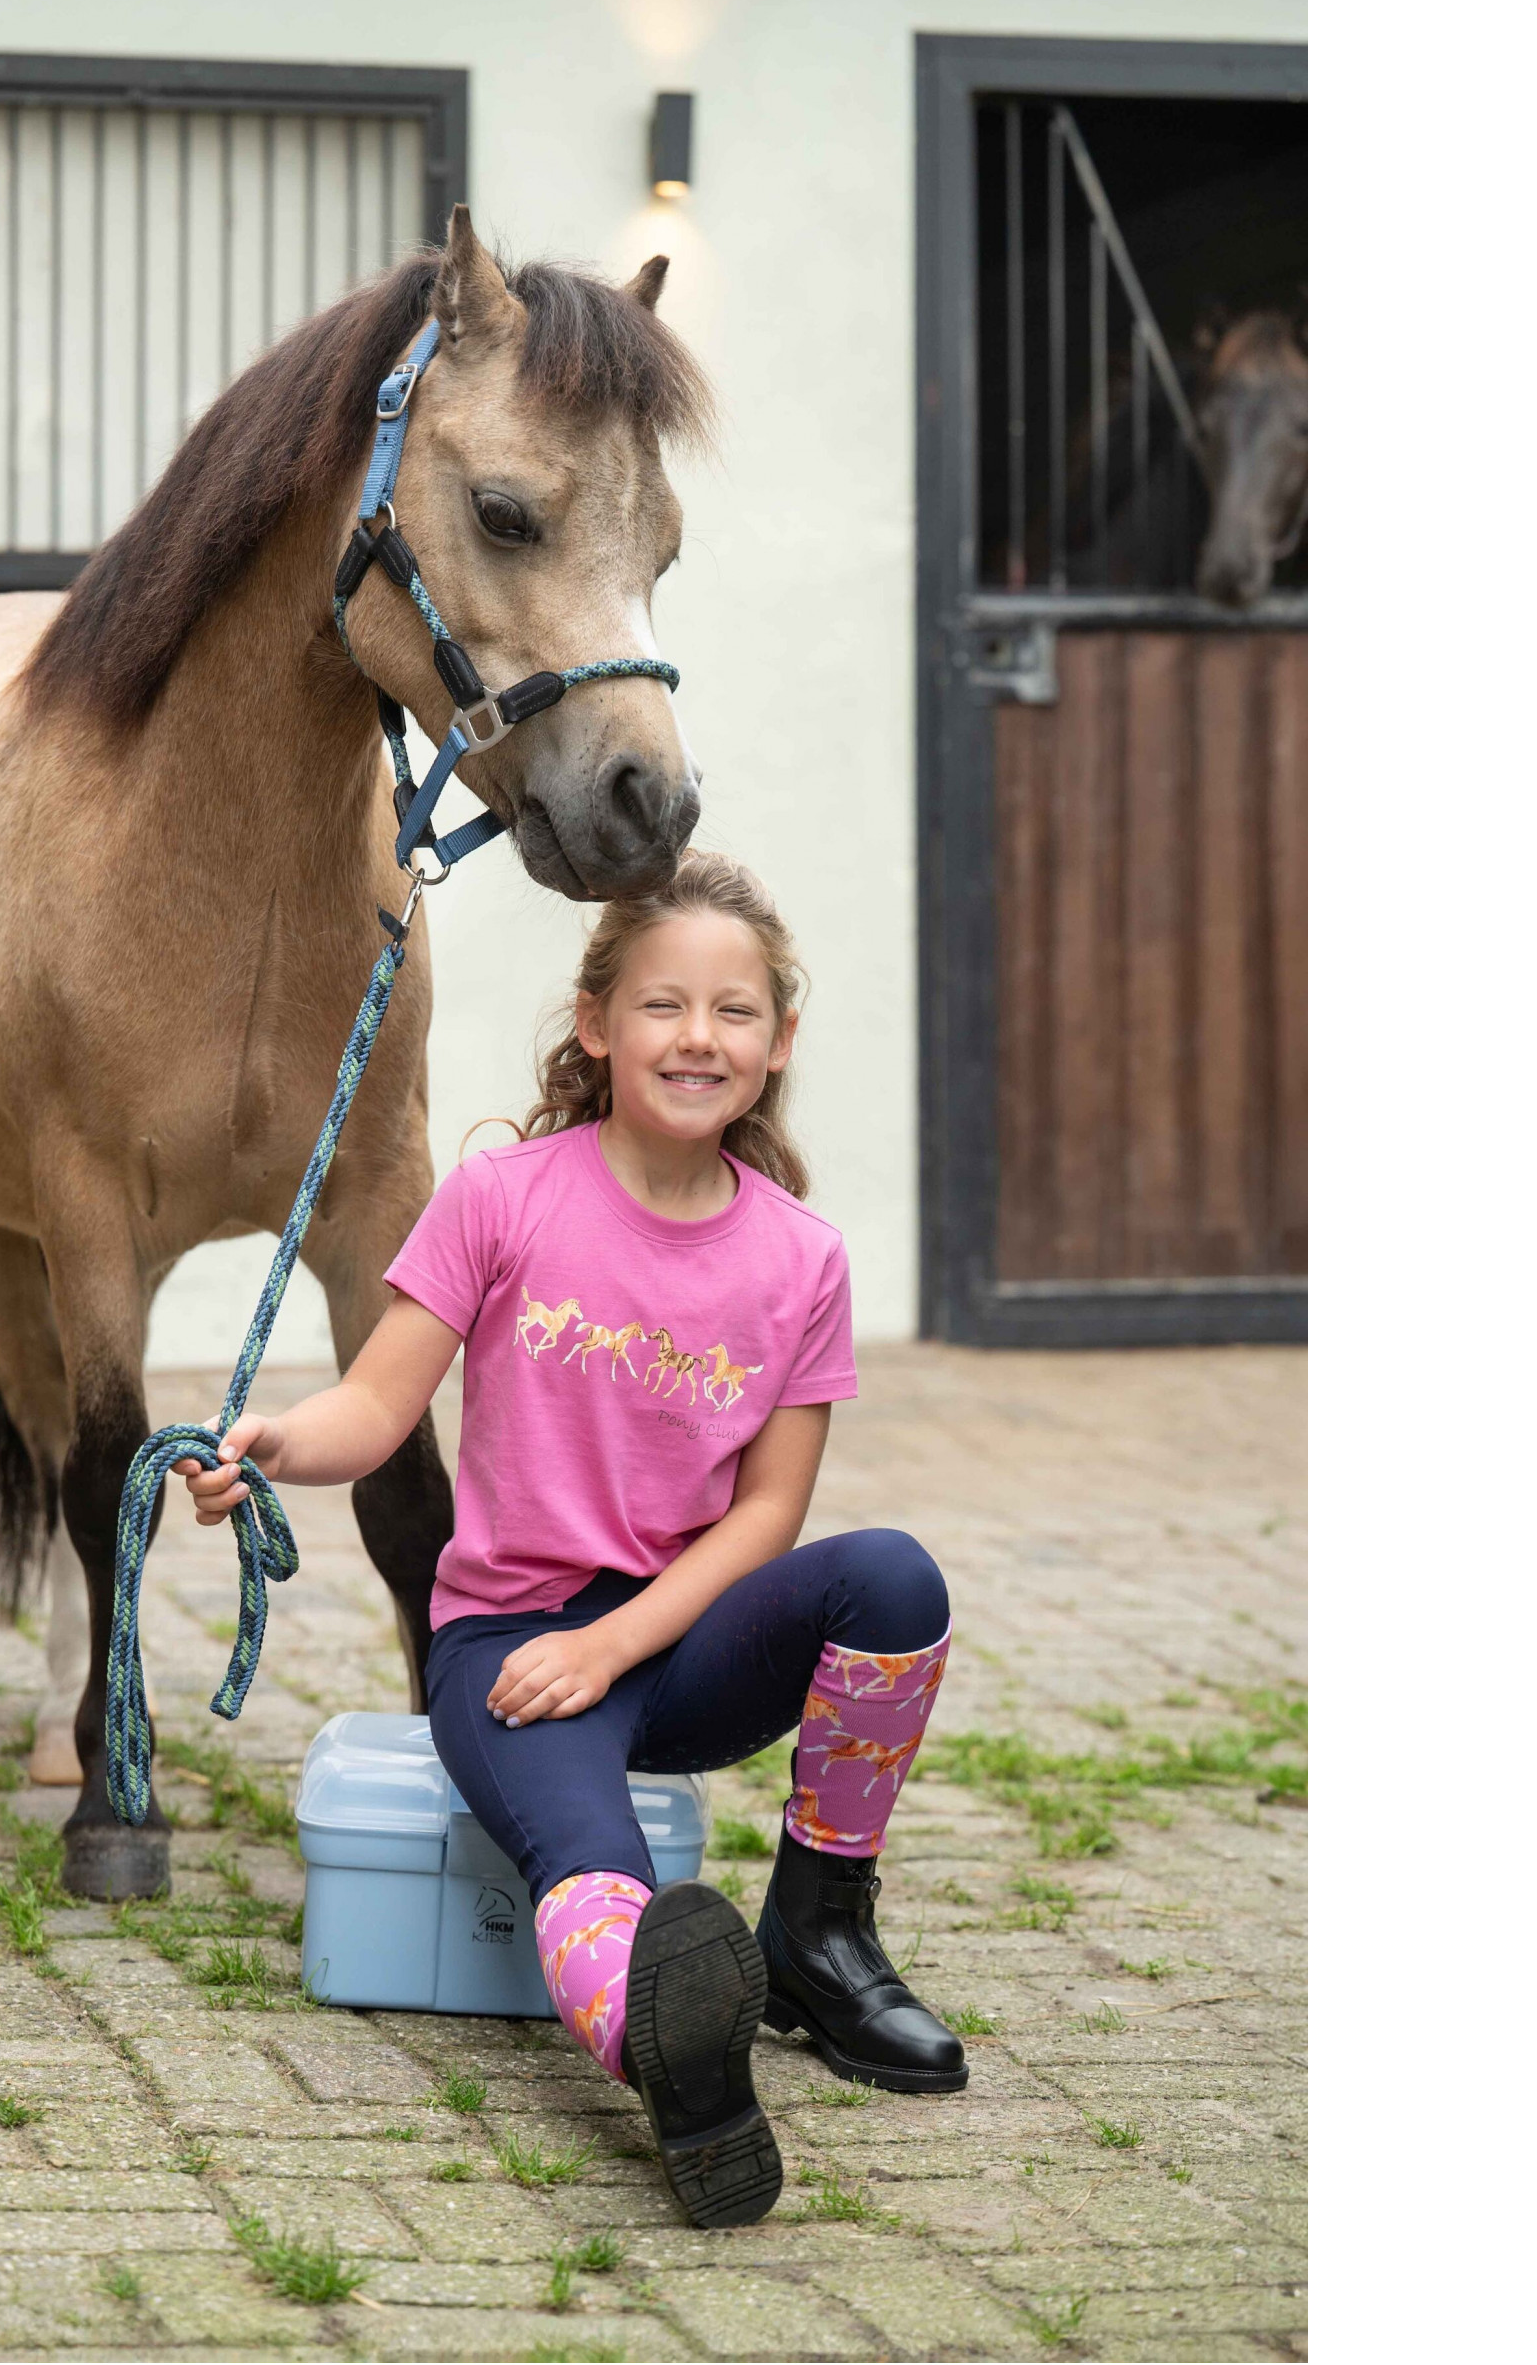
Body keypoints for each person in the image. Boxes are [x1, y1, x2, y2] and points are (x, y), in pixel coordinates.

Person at [175, 851, 963, 2229]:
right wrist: (273, 1446)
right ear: (597, 1024)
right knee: (597, 1879)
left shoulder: (803, 1260)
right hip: (510, 1654)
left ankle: (820, 1938)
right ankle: (681, 2070)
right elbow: (376, 1404)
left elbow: (769, 1516)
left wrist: (615, 1643)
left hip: (674, 1641)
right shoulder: (503, 1197)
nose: (697, 1037)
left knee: (893, 1575)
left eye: (734, 1012)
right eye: (664, 1005)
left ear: (778, 1046)